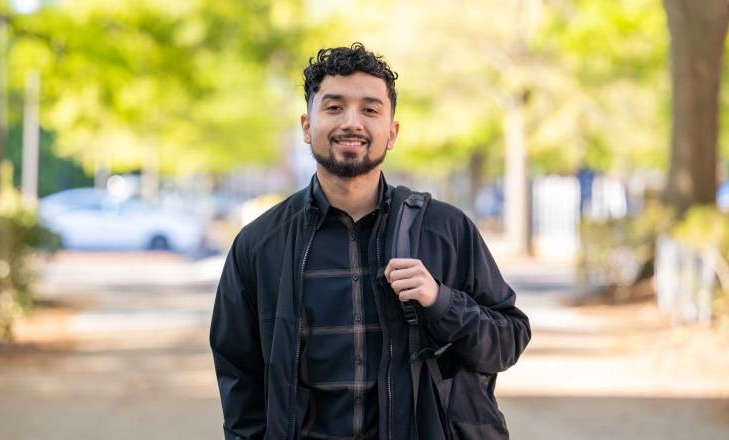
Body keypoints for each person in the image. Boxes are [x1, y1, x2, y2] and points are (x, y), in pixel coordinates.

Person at [210, 42, 531, 440]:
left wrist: (441, 302)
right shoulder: (260, 244)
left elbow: (507, 341)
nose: (352, 122)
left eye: (370, 109)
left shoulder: (446, 229)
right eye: (333, 107)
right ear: (307, 127)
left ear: (391, 132)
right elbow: (239, 376)